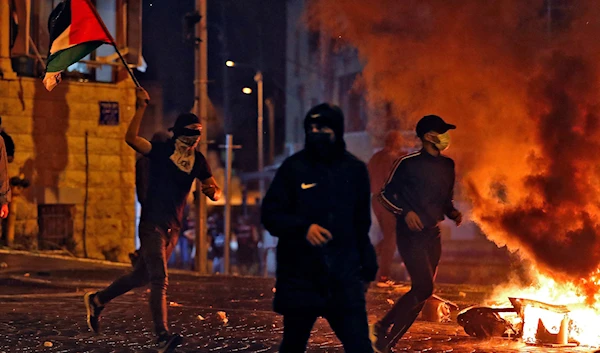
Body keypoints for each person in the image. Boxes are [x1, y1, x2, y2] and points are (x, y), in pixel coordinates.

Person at [83, 88, 221, 353]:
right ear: (178, 132)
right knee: (159, 278)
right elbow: (131, 138)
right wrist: (140, 107)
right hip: (152, 224)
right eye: (190, 132)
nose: (194, 139)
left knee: (141, 276)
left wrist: (213, 192)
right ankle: (162, 335)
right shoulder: (161, 151)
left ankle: (98, 300)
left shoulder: (198, 160)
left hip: (174, 227)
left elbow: (213, 186)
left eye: (198, 133)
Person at [261, 103, 378, 353]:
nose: (316, 133)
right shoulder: (293, 168)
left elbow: (361, 224)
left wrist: (367, 267)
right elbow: (271, 214)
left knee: (360, 346)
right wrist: (303, 228)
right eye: (311, 128)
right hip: (302, 276)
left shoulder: (355, 170)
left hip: (343, 278)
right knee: (293, 345)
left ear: (336, 130)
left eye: (322, 127)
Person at [370, 115, 462, 353]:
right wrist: (405, 212)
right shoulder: (406, 164)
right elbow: (384, 195)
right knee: (424, 288)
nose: (445, 137)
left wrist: (453, 213)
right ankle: (381, 326)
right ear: (428, 137)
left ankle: (387, 343)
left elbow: (445, 200)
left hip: (433, 235)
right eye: (441, 132)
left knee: (421, 293)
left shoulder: (447, 166)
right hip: (410, 234)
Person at [367, 130, 405, 287]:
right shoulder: (392, 159)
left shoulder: (375, 158)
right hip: (387, 200)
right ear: (395, 142)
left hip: (375, 199)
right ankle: (383, 277)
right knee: (392, 237)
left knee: (390, 236)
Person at [130, 131, 170, 267]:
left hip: (147, 203)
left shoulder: (142, 161)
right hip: (156, 205)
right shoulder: (159, 162)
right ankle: (143, 260)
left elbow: (140, 184)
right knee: (157, 235)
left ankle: (141, 257)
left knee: (150, 234)